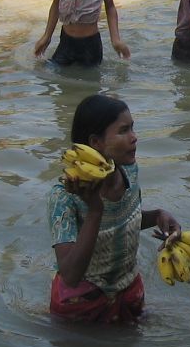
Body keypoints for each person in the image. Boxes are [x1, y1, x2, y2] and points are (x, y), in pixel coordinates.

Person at [48, 94, 181, 323]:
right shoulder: (65, 196)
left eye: (133, 128)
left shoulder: (129, 172)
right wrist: (94, 210)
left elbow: (122, 219)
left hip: (128, 290)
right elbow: (69, 275)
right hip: (81, 304)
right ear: (95, 143)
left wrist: (158, 215)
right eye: (123, 131)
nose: (134, 138)